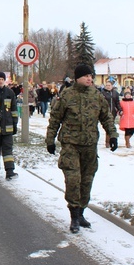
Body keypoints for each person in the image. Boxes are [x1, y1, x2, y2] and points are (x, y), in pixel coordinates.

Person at [45, 64, 118, 234]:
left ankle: (81, 212)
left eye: (90, 76)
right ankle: (74, 216)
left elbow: (106, 117)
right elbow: (55, 118)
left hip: (90, 146)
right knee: (73, 180)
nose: (89, 79)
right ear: (77, 78)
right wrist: (50, 139)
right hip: (71, 145)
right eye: (86, 76)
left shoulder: (96, 96)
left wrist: (112, 135)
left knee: (87, 181)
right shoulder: (67, 95)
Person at [100, 80, 121, 147]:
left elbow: (117, 102)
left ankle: (109, 141)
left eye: (109, 85)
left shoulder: (115, 93)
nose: (108, 87)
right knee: (107, 126)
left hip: (113, 112)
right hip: (105, 112)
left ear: (112, 86)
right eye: (107, 85)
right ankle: (107, 142)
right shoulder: (102, 93)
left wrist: (120, 110)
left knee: (111, 126)